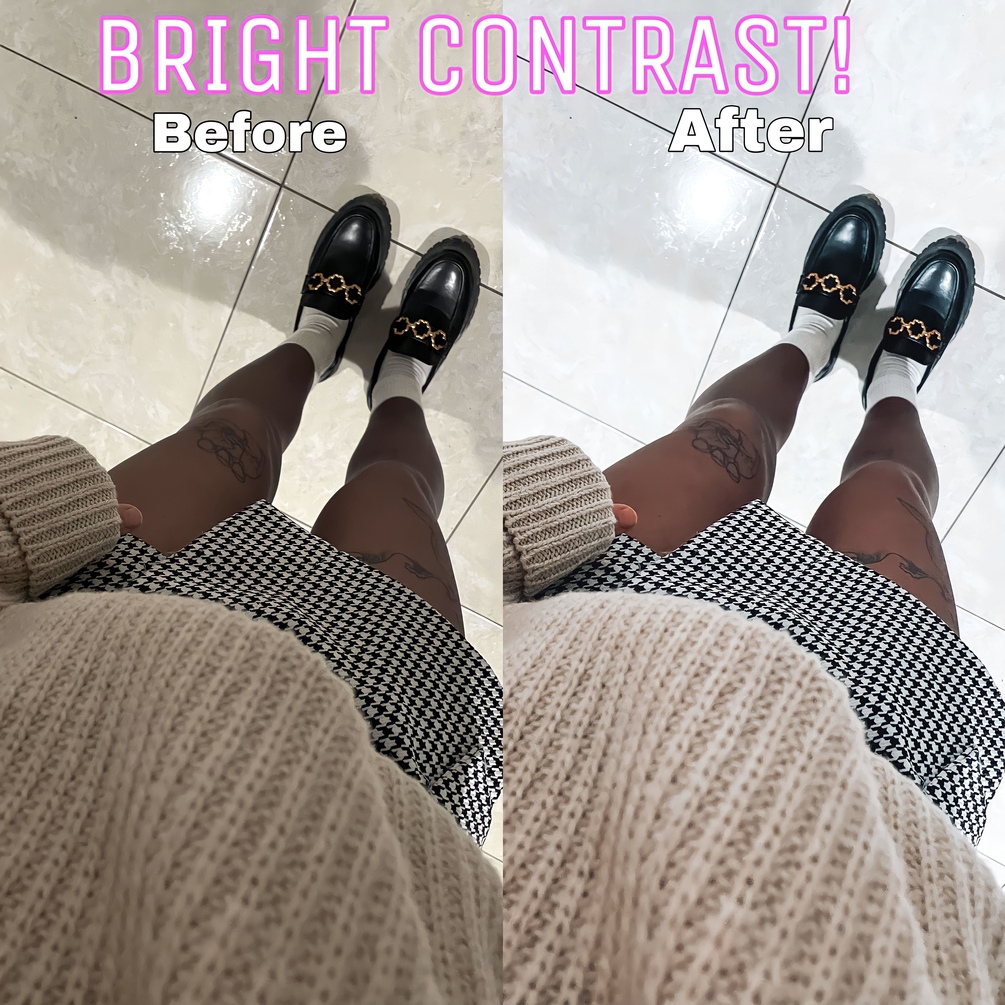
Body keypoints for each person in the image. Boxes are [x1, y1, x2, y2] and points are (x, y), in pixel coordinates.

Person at [0, 194, 501, 1001]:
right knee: (394, 489)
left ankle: (318, 336)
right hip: (375, 784)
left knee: (232, 430)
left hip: (88, 647)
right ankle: (399, 379)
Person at [503, 197, 1005, 1000]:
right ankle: (894, 377)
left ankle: (812, 334)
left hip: (598, 662)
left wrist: (513, 536)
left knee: (729, 429)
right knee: (888, 487)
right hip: (870, 787)